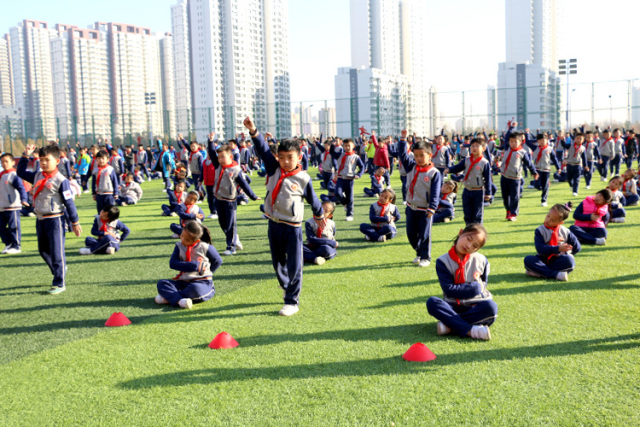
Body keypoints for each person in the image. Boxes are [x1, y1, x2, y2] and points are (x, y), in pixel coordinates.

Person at [245, 115, 325, 316]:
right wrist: (254, 130)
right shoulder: (274, 169)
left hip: (293, 227)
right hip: (274, 224)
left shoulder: (303, 178)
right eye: (282, 157)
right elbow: (263, 150)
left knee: (294, 264)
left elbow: (313, 199)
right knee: (277, 262)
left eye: (290, 157)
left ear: (299, 157)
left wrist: (319, 214)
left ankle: (292, 301)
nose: (286, 161)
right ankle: (285, 286)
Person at [17, 144, 82, 294]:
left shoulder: (61, 180)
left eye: (47, 159)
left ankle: (59, 283)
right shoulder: (37, 175)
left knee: (57, 252)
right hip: (40, 220)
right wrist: (25, 156)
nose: (43, 163)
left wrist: (75, 222)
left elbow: (69, 202)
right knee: (43, 251)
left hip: (56, 220)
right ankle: (59, 270)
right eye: (41, 160)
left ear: (57, 161)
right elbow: (20, 171)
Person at [426, 224, 496, 340]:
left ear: (477, 249)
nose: (468, 245)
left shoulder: (482, 260)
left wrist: (478, 288)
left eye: (475, 245)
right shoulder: (443, 261)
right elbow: (449, 290)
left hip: (475, 306)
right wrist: (474, 288)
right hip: (453, 306)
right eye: (468, 239)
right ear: (461, 233)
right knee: (432, 303)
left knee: (491, 307)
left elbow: (484, 284)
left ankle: (451, 325)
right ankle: (470, 330)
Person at [206, 132, 260, 255]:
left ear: (230, 157)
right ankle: (235, 239)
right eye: (219, 157)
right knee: (223, 224)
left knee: (231, 225)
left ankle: (231, 247)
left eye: (223, 157)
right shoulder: (218, 165)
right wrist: (210, 142)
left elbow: (244, 184)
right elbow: (212, 154)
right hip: (218, 199)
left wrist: (253, 196)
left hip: (230, 201)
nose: (220, 159)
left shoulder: (235, 170)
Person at [397, 130, 441, 267]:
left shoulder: (434, 173)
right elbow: (403, 155)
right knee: (411, 233)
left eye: (422, 155)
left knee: (425, 234)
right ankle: (418, 251)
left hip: (425, 209)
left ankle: (425, 257)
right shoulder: (411, 167)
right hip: (411, 207)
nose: (419, 158)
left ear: (430, 155)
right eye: (416, 156)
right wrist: (403, 139)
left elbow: (435, 193)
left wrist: (432, 207)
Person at [155, 221, 222, 309]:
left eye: (187, 240)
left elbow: (218, 261)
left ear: (196, 240)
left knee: (196, 289)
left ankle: (170, 297)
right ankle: (179, 300)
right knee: (162, 283)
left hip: (201, 282)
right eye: (182, 236)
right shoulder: (179, 246)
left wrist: (208, 272)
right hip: (183, 281)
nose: (182, 240)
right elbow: (173, 264)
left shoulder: (205, 247)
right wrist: (195, 266)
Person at [524, 203, 581, 281]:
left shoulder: (565, 231)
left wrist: (566, 252)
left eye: (552, 220)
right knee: (528, 260)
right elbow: (540, 248)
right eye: (548, 216)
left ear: (560, 223)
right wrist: (557, 248)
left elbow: (577, 247)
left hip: (558, 261)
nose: (548, 220)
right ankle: (557, 274)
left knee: (569, 260)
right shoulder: (540, 230)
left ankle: (539, 272)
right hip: (543, 259)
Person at [444, 137, 492, 225]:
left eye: (477, 146)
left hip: (478, 191)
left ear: (483, 148)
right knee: (467, 211)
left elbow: (488, 179)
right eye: (472, 146)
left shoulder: (484, 162)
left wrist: (488, 193)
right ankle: (468, 228)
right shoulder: (466, 160)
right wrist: (449, 170)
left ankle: (477, 230)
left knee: (477, 213)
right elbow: (457, 167)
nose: (474, 148)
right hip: (467, 190)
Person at [500, 131, 537, 221]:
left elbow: (529, 163)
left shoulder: (522, 152)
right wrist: (511, 128)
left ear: (520, 142)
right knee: (505, 196)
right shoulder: (507, 148)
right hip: (504, 177)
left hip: (515, 179)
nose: (512, 144)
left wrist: (534, 172)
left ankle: (513, 214)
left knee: (514, 197)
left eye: (515, 141)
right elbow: (507, 136)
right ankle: (508, 210)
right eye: (511, 141)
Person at [0, 153, 29, 254]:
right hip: (2, 206)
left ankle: (16, 246)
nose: (4, 164)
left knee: (14, 226)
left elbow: (21, 188)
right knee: (1, 227)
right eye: (2, 162)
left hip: (12, 206)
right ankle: (8, 244)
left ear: (13, 162)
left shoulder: (14, 175)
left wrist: (24, 199)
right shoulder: (2, 174)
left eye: (6, 161)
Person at [329, 137, 364, 221]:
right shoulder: (340, 154)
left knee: (350, 198)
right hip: (340, 178)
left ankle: (349, 215)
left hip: (350, 179)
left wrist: (359, 174)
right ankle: (345, 204)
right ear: (343, 146)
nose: (347, 147)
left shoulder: (356, 157)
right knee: (337, 193)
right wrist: (332, 146)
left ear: (353, 146)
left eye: (349, 145)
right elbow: (332, 153)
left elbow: (362, 166)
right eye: (345, 146)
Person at [527, 133, 561, 206]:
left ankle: (544, 200)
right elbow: (527, 142)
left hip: (546, 169)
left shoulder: (550, 149)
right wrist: (527, 134)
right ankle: (540, 186)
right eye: (540, 141)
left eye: (543, 140)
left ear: (547, 140)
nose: (542, 142)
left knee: (545, 185)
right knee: (536, 184)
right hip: (537, 169)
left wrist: (558, 168)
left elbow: (554, 159)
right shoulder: (535, 148)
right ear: (537, 141)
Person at [92, 150, 119, 214]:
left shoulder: (110, 169)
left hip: (109, 194)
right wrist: (94, 193)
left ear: (107, 159)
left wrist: (116, 193)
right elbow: (93, 182)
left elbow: (114, 182)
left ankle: (111, 223)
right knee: (100, 212)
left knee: (110, 211)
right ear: (96, 160)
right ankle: (102, 223)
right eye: (99, 158)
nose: (101, 160)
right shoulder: (95, 170)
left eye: (103, 158)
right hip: (99, 194)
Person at [562, 132, 587, 197]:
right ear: (574, 139)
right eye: (577, 138)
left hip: (577, 165)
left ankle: (575, 191)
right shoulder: (570, 145)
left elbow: (584, 157)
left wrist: (585, 166)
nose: (578, 140)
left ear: (583, 140)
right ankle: (571, 185)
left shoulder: (583, 148)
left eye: (580, 139)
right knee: (568, 178)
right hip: (569, 164)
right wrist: (562, 140)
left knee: (576, 179)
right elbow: (564, 145)